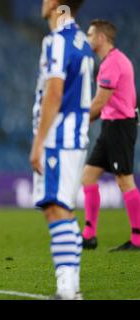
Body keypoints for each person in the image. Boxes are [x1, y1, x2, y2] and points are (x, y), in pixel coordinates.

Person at [30, 0, 93, 299]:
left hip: (59, 137)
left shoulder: (56, 41)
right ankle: (71, 288)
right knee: (61, 209)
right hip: (76, 136)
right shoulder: (82, 41)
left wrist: (39, 141)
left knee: (56, 209)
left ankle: (67, 290)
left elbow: (54, 92)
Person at [81, 20, 139, 251]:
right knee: (88, 177)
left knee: (125, 181)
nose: (88, 38)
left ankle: (137, 239)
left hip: (119, 127)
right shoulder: (112, 61)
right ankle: (89, 235)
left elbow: (100, 101)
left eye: (90, 34)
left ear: (101, 38)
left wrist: (80, 121)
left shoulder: (113, 63)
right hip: (110, 126)